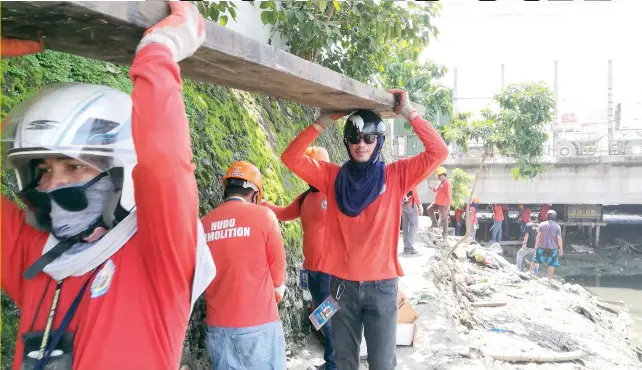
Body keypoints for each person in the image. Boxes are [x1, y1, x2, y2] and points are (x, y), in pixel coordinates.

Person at [1, 3, 216, 369]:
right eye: (44, 170)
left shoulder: (159, 257)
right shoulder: (36, 251)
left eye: (73, 167)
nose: (53, 184)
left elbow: (164, 164)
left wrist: (160, 51)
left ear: (122, 173)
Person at [280, 89, 449, 370]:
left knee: (382, 364)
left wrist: (408, 113)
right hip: (341, 289)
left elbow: (439, 151)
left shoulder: (396, 175)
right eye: (355, 138)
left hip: (382, 288)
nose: (361, 144)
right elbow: (291, 158)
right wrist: (321, 122)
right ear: (347, 142)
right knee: (345, 362)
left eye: (369, 138)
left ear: (379, 141)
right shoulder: (331, 177)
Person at [202, 161, 287, 370]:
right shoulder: (265, 216)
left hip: (217, 327)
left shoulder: (203, 223)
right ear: (255, 194)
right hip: (258, 323)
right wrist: (276, 294)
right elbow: (278, 269)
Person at [262, 146, 336, 370]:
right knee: (321, 315)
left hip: (330, 270)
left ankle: (334, 364)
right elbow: (284, 213)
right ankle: (333, 360)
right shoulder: (305, 198)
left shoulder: (335, 194)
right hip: (311, 269)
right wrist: (263, 204)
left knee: (330, 317)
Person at [529, 210, 563, 282]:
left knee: (536, 260)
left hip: (542, 247)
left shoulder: (541, 224)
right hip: (553, 249)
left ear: (547, 216)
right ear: (555, 217)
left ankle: (529, 272)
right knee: (552, 264)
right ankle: (549, 280)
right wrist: (561, 249)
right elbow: (559, 239)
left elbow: (538, 236)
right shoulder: (557, 227)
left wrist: (536, 246)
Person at [427, 167, 452, 237]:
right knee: (429, 209)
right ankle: (434, 223)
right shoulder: (441, 183)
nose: (438, 177)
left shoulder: (447, 184)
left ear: (443, 175)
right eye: (438, 176)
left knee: (444, 218)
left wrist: (448, 205)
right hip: (437, 202)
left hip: (443, 204)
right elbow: (438, 191)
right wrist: (433, 189)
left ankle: (445, 234)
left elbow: (449, 195)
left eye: (439, 176)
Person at [402, 187, 423, 254]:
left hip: (403, 206)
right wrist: (420, 207)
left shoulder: (402, 181)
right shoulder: (411, 182)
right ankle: (408, 247)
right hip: (411, 205)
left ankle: (406, 246)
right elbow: (415, 195)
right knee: (414, 225)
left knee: (405, 227)